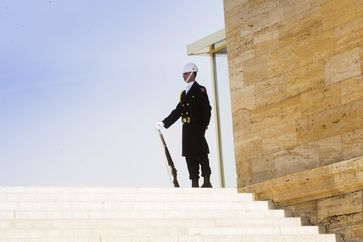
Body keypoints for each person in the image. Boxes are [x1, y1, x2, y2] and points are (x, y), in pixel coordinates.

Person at [156, 63, 212, 188]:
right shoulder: (184, 94)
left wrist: (204, 126)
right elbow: (178, 111)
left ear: (192, 73)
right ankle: (194, 181)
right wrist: (165, 122)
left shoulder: (200, 90)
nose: (183, 76)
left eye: (185, 73)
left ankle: (207, 180)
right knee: (189, 155)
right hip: (186, 128)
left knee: (201, 154)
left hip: (197, 127)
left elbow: (207, 109)